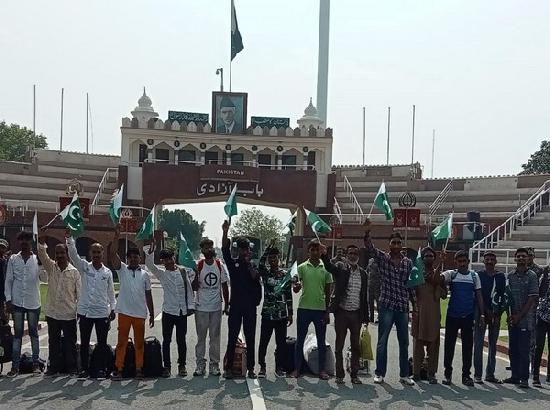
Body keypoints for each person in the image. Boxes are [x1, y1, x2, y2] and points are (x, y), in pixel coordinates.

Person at [363, 221, 416, 386]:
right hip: (386, 304)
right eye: (393, 242)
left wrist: (415, 306)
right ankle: (379, 373)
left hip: (402, 306)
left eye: (399, 243)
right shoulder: (383, 258)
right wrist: (367, 232)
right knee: (382, 341)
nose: (396, 245)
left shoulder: (408, 263)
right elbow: (370, 248)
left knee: (404, 342)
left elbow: (411, 285)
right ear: (389, 244)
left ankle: (404, 375)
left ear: (402, 245)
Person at [67, 231, 117, 380]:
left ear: (102, 253)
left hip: (102, 312)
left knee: (102, 344)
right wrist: (70, 239)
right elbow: (74, 256)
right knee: (84, 342)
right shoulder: (84, 267)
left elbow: (111, 293)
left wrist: (112, 309)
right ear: (90, 253)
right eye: (93, 252)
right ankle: (85, 369)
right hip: (85, 312)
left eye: (98, 252)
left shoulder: (107, 273)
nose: (96, 255)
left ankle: (100, 369)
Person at [109, 225, 154, 381]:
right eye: (131, 257)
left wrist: (152, 314)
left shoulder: (145, 275)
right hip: (124, 312)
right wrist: (116, 237)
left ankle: (139, 369)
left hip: (140, 314)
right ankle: (119, 369)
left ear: (139, 259)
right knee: (121, 343)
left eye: (136, 257)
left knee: (139, 344)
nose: (134, 259)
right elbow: (112, 254)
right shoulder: (122, 270)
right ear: (127, 259)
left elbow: (149, 295)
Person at [321, 244, 369, 385]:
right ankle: (340, 375)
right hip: (342, 313)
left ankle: (354, 375)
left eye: (355, 253)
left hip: (356, 315)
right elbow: (329, 267)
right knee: (339, 345)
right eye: (350, 253)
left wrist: (366, 317)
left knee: (355, 346)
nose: (353, 256)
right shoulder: (341, 269)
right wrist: (324, 255)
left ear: (358, 256)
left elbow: (364, 296)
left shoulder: (363, 274)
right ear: (347, 256)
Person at [145, 244, 194, 378]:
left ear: (173, 258)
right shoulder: (162, 274)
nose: (166, 262)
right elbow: (149, 265)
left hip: (181, 312)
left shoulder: (183, 272)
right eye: (164, 260)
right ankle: (166, 366)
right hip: (168, 312)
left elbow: (189, 290)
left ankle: (182, 365)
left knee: (181, 340)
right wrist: (149, 253)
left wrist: (190, 306)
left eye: (168, 259)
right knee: (167, 340)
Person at [37, 228, 81, 377]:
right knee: (53, 342)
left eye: (62, 253)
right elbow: (42, 254)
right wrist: (42, 239)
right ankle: (53, 367)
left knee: (70, 343)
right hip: (53, 313)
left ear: (67, 254)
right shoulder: (51, 268)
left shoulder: (74, 272)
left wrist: (79, 312)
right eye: (57, 253)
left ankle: (72, 367)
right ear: (55, 255)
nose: (60, 256)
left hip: (68, 314)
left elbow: (79, 294)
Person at [221, 221, 262, 379]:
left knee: (250, 337)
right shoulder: (233, 264)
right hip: (236, 306)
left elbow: (256, 278)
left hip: (250, 307)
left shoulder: (253, 265)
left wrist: (249, 264)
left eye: (246, 249)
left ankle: (251, 368)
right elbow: (225, 250)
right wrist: (225, 231)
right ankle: (229, 368)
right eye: (241, 249)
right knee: (232, 336)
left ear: (249, 250)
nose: (244, 251)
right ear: (237, 249)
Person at [291, 239, 333, 380]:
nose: (315, 252)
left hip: (320, 310)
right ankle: (297, 369)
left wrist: (327, 312)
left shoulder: (326, 268)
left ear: (320, 251)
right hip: (304, 308)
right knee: (300, 340)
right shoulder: (302, 267)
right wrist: (295, 287)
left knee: (321, 341)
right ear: (308, 251)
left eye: (317, 250)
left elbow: (328, 292)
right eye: (312, 250)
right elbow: (296, 288)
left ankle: (321, 370)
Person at [440, 250, 485, 386]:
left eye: (464, 261)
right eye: (459, 261)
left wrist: (482, 314)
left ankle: (466, 375)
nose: (462, 264)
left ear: (468, 262)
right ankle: (448, 374)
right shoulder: (451, 274)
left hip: (468, 316)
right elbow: (437, 278)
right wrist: (441, 263)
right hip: (453, 315)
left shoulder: (474, 276)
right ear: (456, 262)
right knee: (449, 346)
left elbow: (479, 296)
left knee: (467, 347)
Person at [4, 231, 44, 377]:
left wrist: (41, 261)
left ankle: (35, 364)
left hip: (33, 301)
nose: (24, 242)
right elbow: (8, 280)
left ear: (31, 242)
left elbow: (44, 277)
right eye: (21, 240)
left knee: (34, 333)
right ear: (18, 242)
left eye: (27, 240)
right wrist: (8, 299)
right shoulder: (13, 259)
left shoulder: (37, 259)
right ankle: (15, 366)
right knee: (18, 335)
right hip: (17, 301)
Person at [192, 238, 230, 377]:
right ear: (202, 250)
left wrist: (227, 304)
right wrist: (195, 274)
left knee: (215, 337)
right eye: (206, 247)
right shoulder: (198, 265)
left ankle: (214, 365)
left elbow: (224, 285)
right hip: (201, 307)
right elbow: (194, 287)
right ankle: (200, 365)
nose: (209, 249)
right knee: (201, 338)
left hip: (215, 307)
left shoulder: (219, 265)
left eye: (210, 247)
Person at [257, 243, 293, 378]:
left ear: (279, 259)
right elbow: (260, 264)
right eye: (270, 258)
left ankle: (279, 367)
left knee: (281, 343)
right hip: (267, 314)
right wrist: (266, 250)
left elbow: (288, 295)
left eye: (275, 258)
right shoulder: (265, 273)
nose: (272, 260)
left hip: (282, 315)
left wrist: (290, 313)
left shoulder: (285, 275)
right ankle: (262, 367)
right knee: (264, 342)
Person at [504, 247, 539, 388]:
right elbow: (507, 297)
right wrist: (509, 315)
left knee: (524, 349)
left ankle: (524, 378)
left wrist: (519, 316)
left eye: (523, 256)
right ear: (515, 258)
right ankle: (515, 376)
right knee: (513, 348)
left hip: (526, 319)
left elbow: (532, 299)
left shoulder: (532, 276)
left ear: (528, 258)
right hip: (513, 319)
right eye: (518, 256)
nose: (521, 258)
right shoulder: (510, 276)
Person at [411, 247, 446, 384]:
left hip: (433, 315)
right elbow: (411, 292)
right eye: (426, 256)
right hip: (419, 314)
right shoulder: (417, 274)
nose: (429, 258)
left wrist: (437, 283)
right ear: (422, 258)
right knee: (417, 345)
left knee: (433, 345)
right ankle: (416, 373)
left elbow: (443, 294)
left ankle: (432, 373)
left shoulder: (440, 275)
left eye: (431, 256)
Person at [473, 251, 506, 384]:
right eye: (487, 259)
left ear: (496, 261)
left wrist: (498, 314)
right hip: (481, 312)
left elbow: (502, 296)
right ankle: (477, 374)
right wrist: (484, 311)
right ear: (483, 261)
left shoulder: (500, 276)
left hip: (495, 313)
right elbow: (477, 295)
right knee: (479, 344)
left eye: (492, 259)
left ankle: (490, 374)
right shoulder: (479, 275)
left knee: (493, 345)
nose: (490, 261)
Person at [533, 268, 550, 387]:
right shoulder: (544, 276)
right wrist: (545, 275)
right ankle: (535, 376)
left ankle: (549, 376)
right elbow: (540, 293)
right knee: (538, 346)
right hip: (542, 316)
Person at [366, 258, 381, 323]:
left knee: (378, 302)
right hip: (370, 284)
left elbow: (381, 274)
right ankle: (371, 317)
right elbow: (367, 271)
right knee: (370, 302)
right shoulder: (370, 261)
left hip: (377, 284)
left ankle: (379, 317)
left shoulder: (379, 262)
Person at [0, 238, 9, 325]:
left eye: (3, 247)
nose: (1, 249)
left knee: (5, 311)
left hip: (5, 289)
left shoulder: (7, 261)